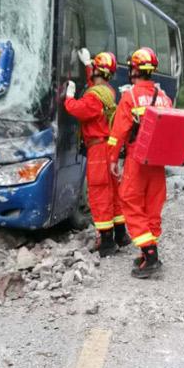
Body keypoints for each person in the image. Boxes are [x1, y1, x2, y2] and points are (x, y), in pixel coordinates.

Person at [107, 47, 172, 278]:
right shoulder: (164, 98)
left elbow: (118, 133)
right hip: (158, 161)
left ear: (134, 69)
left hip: (137, 159)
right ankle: (149, 251)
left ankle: (150, 253)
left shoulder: (130, 96)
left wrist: (113, 158)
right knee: (153, 205)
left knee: (130, 201)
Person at [65, 50, 127, 257]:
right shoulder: (107, 90)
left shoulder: (93, 97)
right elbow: (94, 91)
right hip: (108, 147)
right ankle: (121, 235)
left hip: (97, 149)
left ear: (98, 72)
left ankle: (107, 243)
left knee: (99, 194)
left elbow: (77, 109)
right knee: (113, 193)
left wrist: (68, 96)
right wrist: (87, 66)